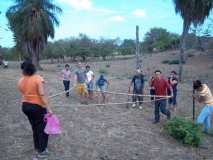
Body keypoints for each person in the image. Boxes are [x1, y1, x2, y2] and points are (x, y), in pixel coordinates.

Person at [17, 61, 53, 158]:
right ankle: (41, 151)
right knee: (43, 128)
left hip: (25, 106)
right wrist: (48, 108)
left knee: (35, 127)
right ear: (33, 68)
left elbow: (22, 91)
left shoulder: (20, 80)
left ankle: (37, 146)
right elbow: (41, 94)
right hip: (37, 107)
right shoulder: (38, 78)